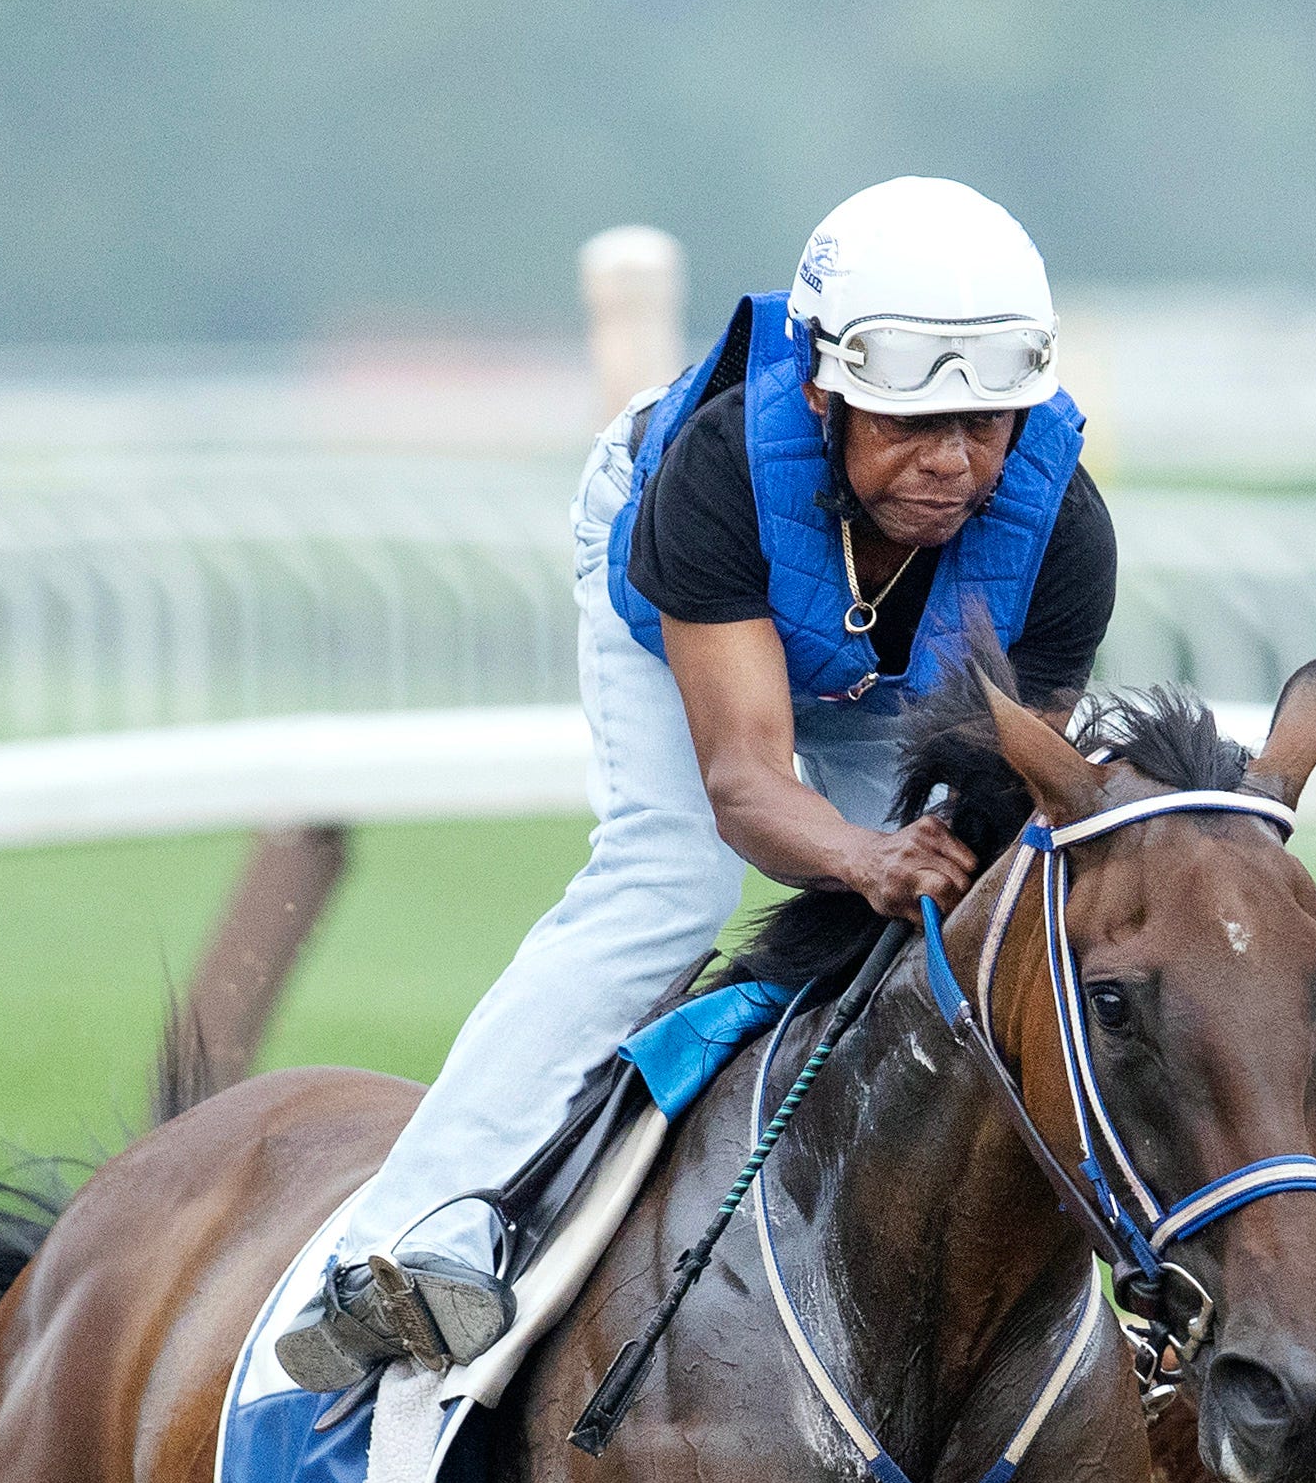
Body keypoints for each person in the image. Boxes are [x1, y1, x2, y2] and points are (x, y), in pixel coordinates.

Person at [277, 175, 1119, 1391]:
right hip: (680, 584)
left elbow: (991, 809)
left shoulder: (1061, 536)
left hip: (885, 667)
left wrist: (921, 860)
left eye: (985, 426)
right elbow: (744, 784)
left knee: (952, 916)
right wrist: (864, 852)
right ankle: (408, 1236)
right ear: (825, 393)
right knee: (668, 881)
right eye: (908, 424)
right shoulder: (724, 470)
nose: (950, 463)